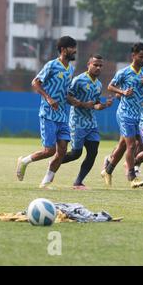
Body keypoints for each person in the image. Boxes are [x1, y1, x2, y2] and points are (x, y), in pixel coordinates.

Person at [16, 36, 77, 189]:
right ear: (63, 49)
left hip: (62, 114)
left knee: (62, 150)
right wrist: (48, 98)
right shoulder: (51, 65)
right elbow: (35, 83)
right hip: (48, 113)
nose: (74, 50)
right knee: (49, 151)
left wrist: (77, 102)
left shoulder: (71, 69)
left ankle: (45, 183)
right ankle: (24, 161)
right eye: (72, 47)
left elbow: (65, 92)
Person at [102, 43, 143, 189]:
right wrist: (122, 92)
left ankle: (108, 170)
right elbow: (110, 86)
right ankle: (132, 177)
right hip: (125, 113)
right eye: (140, 56)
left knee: (129, 145)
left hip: (139, 114)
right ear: (133, 56)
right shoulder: (123, 72)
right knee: (131, 145)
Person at [60, 55, 113, 190]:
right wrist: (83, 104)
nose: (98, 68)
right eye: (95, 65)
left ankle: (78, 182)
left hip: (91, 123)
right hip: (77, 122)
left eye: (100, 66)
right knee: (76, 154)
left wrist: (103, 105)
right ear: (88, 64)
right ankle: (54, 162)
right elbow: (67, 97)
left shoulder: (99, 85)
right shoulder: (78, 80)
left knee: (93, 152)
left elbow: (95, 104)